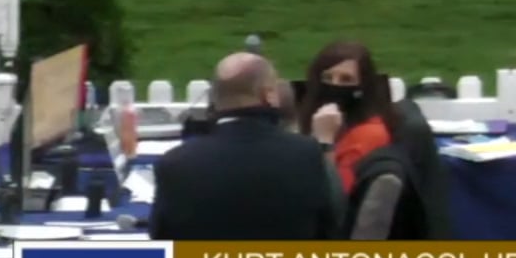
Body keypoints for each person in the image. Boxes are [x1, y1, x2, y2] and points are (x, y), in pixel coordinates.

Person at [148, 51, 345, 240]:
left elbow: (161, 236)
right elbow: (332, 227)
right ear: (268, 95)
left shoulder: (175, 165)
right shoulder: (306, 154)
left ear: (214, 100)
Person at [296, 40, 403, 197]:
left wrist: (325, 142)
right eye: (327, 78)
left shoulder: (369, 134)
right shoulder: (319, 119)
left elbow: (336, 197)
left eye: (346, 79)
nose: (334, 85)